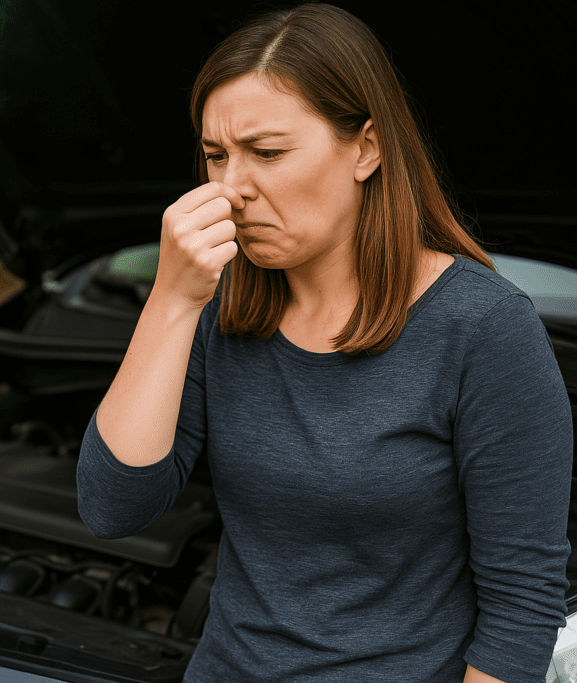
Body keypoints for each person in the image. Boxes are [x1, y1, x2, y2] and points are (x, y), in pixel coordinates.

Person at [75, 4, 572, 683]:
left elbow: (521, 607)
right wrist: (172, 300)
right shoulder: (217, 304)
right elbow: (114, 508)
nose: (230, 189)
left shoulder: (484, 328)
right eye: (216, 156)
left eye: (267, 153)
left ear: (366, 148)